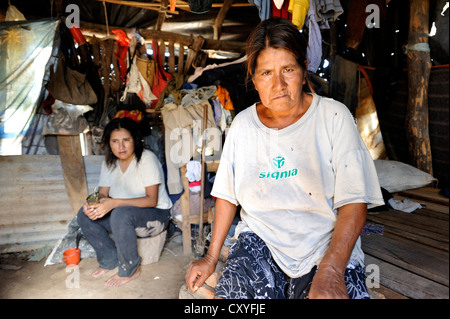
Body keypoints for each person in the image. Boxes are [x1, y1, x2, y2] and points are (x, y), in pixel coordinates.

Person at [185, 18, 384, 299]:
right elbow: (227, 196)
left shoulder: (334, 117)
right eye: (266, 73)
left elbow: (354, 201)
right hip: (259, 240)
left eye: (287, 69)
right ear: (253, 79)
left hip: (324, 245)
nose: (278, 84)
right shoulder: (243, 125)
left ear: (303, 71)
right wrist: (211, 257)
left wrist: (331, 270)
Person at [77, 117, 172, 287]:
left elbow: (152, 200)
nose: (120, 147)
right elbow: (103, 195)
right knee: (83, 215)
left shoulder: (146, 159)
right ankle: (109, 259)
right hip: (125, 216)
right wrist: (92, 205)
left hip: (155, 216)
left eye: (126, 140)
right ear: (108, 143)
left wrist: (114, 203)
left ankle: (131, 268)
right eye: (115, 141)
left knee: (120, 213)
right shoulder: (109, 163)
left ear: (134, 140)